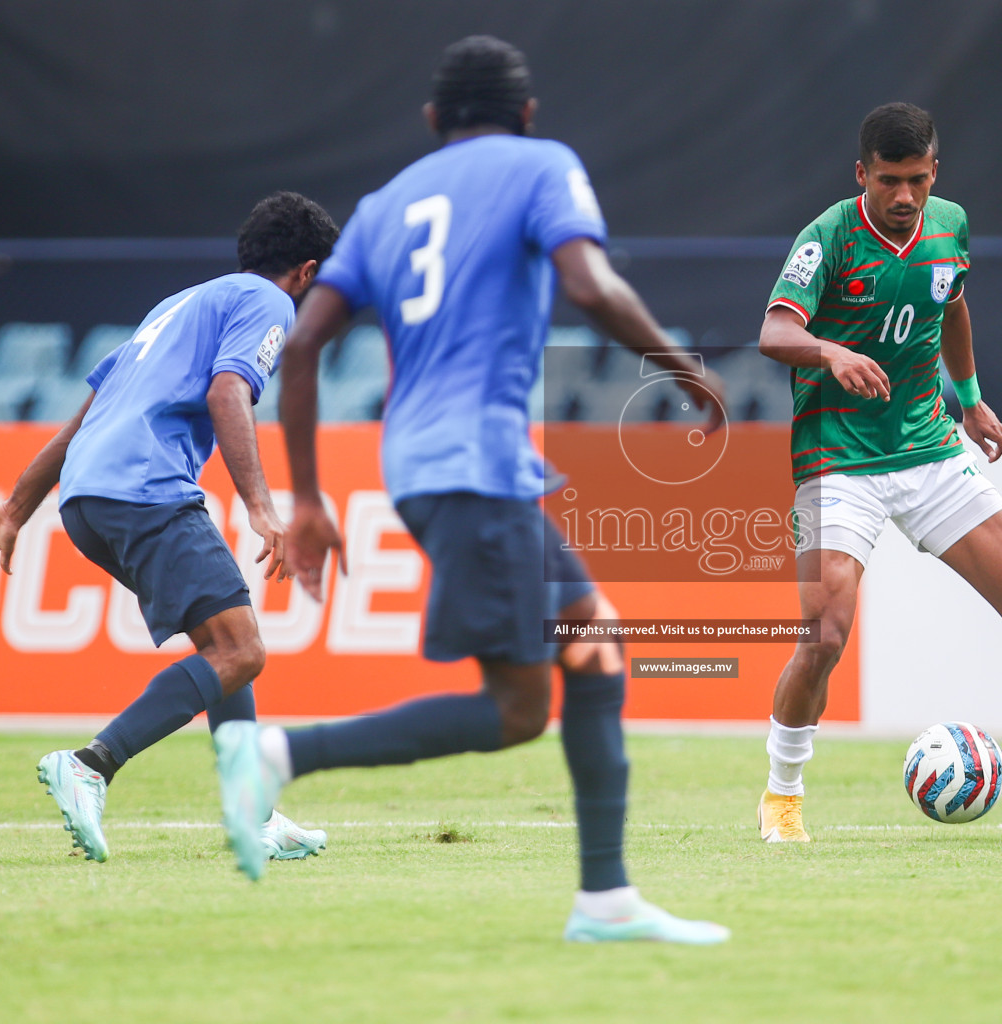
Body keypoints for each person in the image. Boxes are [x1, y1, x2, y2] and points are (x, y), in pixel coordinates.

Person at [210, 35, 730, 945]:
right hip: (477, 469)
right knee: (543, 691)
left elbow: (301, 349)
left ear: (431, 121)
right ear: (526, 114)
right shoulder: (542, 166)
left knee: (569, 673)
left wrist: (308, 498)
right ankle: (275, 752)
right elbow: (588, 282)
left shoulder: (383, 204)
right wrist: (683, 369)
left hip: (421, 467)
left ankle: (605, 902)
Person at [755, 103, 1002, 842]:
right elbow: (774, 331)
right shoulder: (826, 238)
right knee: (825, 633)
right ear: (862, 174)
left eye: (917, 180)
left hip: (928, 446)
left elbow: (951, 305)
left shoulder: (950, 226)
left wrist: (972, 401)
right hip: (839, 458)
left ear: (935, 174)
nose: (904, 197)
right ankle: (782, 796)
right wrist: (831, 352)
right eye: (889, 181)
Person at [0, 192, 339, 864]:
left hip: (87, 498)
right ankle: (92, 763)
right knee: (242, 650)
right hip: (146, 488)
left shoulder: (175, 308)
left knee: (226, 641)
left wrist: (15, 510)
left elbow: (80, 420)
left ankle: (254, 813)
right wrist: (261, 505)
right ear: (305, 272)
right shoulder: (268, 302)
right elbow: (227, 393)